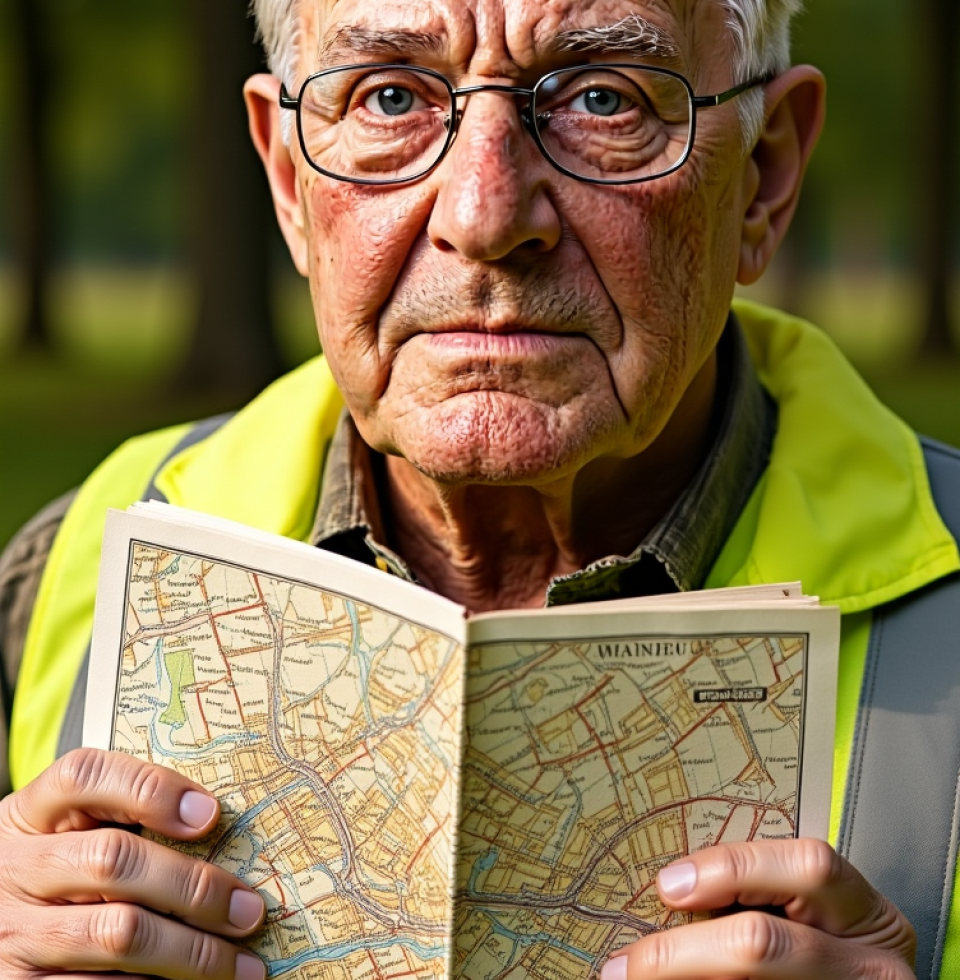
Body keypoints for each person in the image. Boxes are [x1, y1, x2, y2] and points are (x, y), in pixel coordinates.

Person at [0, 0, 957, 977]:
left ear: (764, 175)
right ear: (289, 183)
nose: (486, 215)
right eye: (387, 97)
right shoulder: (64, 571)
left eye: (601, 98)